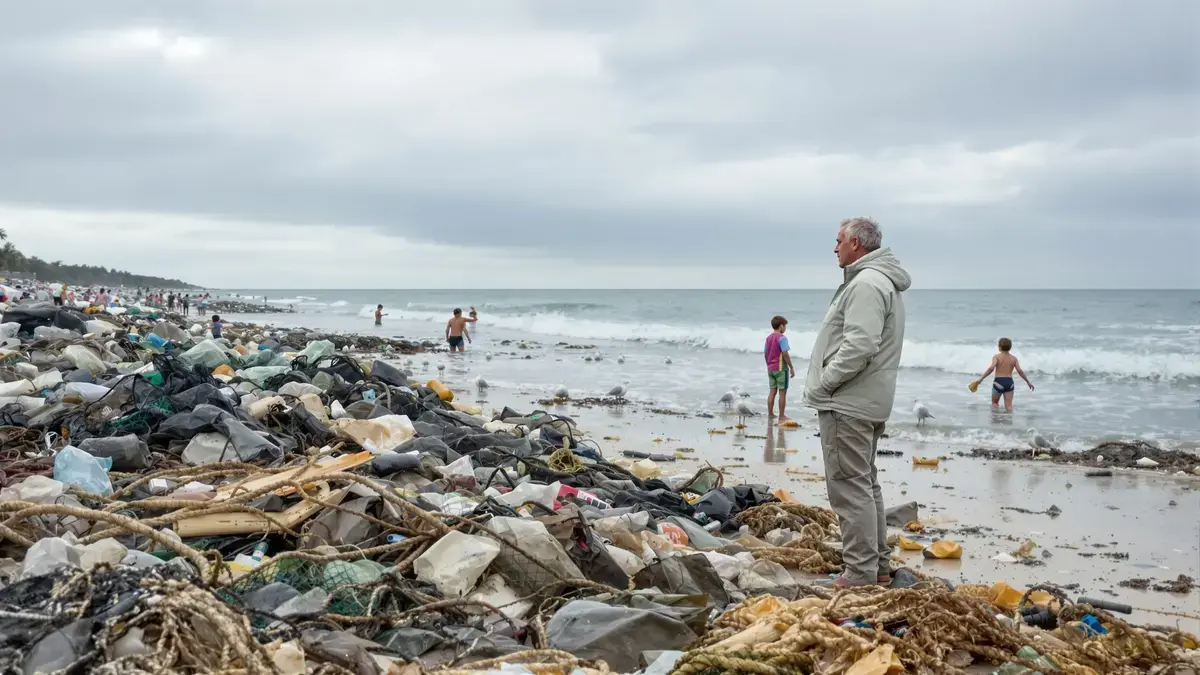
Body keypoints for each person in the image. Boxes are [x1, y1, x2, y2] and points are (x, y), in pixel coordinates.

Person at [804, 217, 911, 588]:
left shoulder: (866, 283)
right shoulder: (880, 282)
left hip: (849, 402)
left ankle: (860, 572)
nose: (834, 248)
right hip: (868, 398)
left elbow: (859, 345)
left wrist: (827, 382)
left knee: (849, 487)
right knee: (865, 483)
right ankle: (877, 566)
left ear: (855, 243)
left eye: (837, 241)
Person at [971, 338, 1034, 412]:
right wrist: (1028, 382)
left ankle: (996, 421)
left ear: (1000, 347)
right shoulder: (1014, 358)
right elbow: (1019, 371)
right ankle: (1009, 421)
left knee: (995, 404)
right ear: (1010, 347)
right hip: (1009, 382)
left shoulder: (996, 357)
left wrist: (980, 379)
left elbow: (991, 368)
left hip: (999, 382)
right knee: (1009, 406)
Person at [764, 315, 796, 421]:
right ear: (781, 326)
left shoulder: (768, 338)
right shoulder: (782, 338)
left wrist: (768, 364)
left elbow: (766, 353)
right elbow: (785, 354)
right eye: (785, 326)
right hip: (781, 369)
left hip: (771, 368)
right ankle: (781, 415)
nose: (785, 328)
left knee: (772, 391)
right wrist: (791, 367)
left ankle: (770, 413)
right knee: (782, 392)